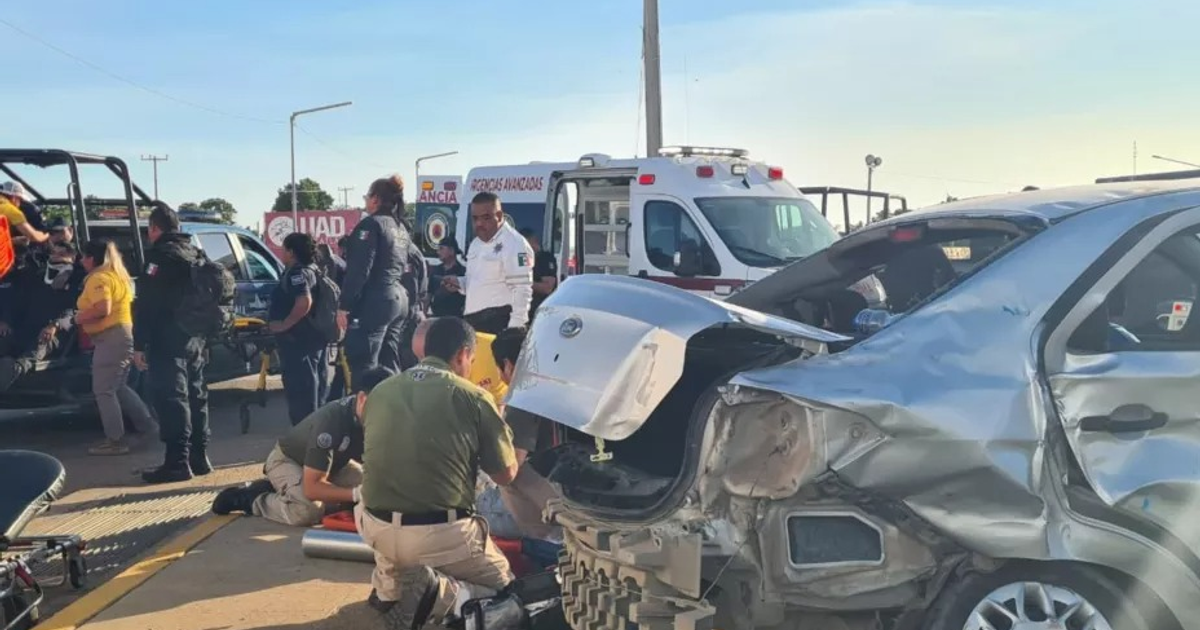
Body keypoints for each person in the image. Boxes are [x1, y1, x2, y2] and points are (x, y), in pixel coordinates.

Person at [357, 317, 518, 628]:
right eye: (471, 360)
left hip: (375, 528)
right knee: (509, 595)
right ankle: (444, 595)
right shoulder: (473, 396)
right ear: (462, 354)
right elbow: (506, 475)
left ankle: (390, 590)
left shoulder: (381, 391)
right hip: (438, 536)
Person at [211, 366, 393, 525]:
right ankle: (252, 499)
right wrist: (355, 494)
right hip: (290, 461)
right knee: (307, 511)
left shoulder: (388, 416)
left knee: (378, 494)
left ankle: (285, 490)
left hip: (333, 465)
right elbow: (312, 487)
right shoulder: (332, 422)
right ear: (362, 399)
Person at [133, 203, 211, 484]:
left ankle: (177, 463)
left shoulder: (160, 256)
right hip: (195, 337)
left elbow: (147, 304)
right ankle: (199, 457)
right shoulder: (195, 252)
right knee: (196, 395)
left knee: (172, 399)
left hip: (167, 338)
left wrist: (139, 344)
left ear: (155, 228)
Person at [75, 240, 156, 456]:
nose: (81, 261)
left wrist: (77, 318)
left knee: (104, 390)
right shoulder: (117, 276)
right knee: (119, 387)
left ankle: (115, 440)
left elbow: (103, 308)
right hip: (122, 334)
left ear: (92, 258)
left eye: (84, 257)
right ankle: (148, 426)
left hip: (110, 337)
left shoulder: (99, 278)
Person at [337, 175, 413, 387]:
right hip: (398, 298)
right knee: (389, 362)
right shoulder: (401, 228)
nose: (365, 202)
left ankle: (366, 405)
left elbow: (359, 270)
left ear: (376, 199)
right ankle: (394, 404)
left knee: (364, 365)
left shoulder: (371, 225)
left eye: (367, 197)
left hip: (376, 300)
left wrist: (344, 305)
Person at [487, 327, 562, 541]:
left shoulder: (523, 399)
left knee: (507, 475)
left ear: (508, 365)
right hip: (583, 493)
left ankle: (543, 540)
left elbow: (511, 465)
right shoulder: (562, 386)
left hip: (556, 509)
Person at [441, 192, 534, 334]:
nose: (479, 223)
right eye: (475, 218)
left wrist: (515, 328)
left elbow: (522, 288)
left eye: (486, 218)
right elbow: (479, 282)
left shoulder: (515, 244)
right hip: (474, 323)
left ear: (499, 216)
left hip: (500, 322)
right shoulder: (476, 244)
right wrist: (460, 283)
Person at [0, 240, 83, 390]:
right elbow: (17, 302)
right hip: (26, 328)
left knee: (33, 351)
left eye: (62, 254)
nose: (56, 257)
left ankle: (13, 369)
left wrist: (55, 325)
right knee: (4, 341)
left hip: (54, 333)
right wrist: (6, 320)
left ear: (72, 257)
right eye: (54, 253)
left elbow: (75, 310)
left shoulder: (78, 280)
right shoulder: (37, 277)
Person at [270, 232, 329, 426]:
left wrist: (284, 324)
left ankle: (306, 433)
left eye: (284, 249)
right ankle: (316, 431)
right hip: (315, 338)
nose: (282, 253)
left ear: (291, 252)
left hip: (298, 340)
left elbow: (304, 301)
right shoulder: (315, 270)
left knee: (302, 391)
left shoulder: (297, 273)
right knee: (316, 387)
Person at [410, 317, 506, 406]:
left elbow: (500, 402)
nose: (424, 365)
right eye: (419, 358)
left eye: (427, 357)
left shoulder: (494, 352)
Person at [518, 228, 558, 315]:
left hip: (541, 309)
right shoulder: (522, 256)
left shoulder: (545, 258)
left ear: (534, 242)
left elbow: (547, 288)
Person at [427, 241, 466, 317]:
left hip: (456, 317)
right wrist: (424, 314)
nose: (438, 252)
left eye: (441, 249)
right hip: (437, 316)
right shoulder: (436, 271)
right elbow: (429, 295)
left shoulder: (463, 272)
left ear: (451, 251)